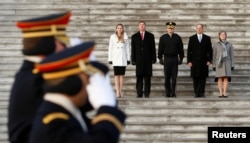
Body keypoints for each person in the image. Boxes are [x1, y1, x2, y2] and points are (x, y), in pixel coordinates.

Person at [29, 42, 126, 143]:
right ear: (73, 83)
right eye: (88, 79)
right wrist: (107, 107)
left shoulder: (63, 111)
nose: (90, 85)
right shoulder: (54, 123)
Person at [8, 11, 72, 143]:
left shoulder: (31, 74)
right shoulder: (36, 79)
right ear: (48, 44)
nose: (66, 48)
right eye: (62, 42)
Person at [158, 22, 184, 98]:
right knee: (167, 77)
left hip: (174, 59)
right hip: (166, 58)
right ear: (167, 29)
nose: (170, 29)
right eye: (169, 28)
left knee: (174, 77)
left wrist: (181, 58)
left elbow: (181, 49)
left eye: (172, 28)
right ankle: (167, 92)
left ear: (174, 29)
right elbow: (160, 48)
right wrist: (160, 58)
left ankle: (173, 92)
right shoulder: (163, 37)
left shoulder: (178, 37)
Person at [131, 20, 156, 98]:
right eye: (140, 25)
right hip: (139, 60)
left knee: (147, 77)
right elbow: (133, 49)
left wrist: (153, 58)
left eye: (143, 25)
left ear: (145, 26)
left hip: (148, 60)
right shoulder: (134, 36)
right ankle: (139, 92)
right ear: (138, 26)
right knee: (139, 77)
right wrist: (133, 59)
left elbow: (153, 48)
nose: (142, 26)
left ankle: (147, 92)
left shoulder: (150, 36)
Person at [187, 23, 213, 98]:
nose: (199, 29)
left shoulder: (207, 38)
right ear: (196, 29)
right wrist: (189, 61)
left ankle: (202, 92)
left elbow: (210, 50)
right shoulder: (192, 38)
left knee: (203, 77)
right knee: (195, 78)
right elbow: (189, 51)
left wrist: (209, 60)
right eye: (197, 28)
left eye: (200, 28)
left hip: (204, 61)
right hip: (194, 62)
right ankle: (196, 92)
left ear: (202, 29)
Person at [108, 23, 130, 98]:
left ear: (123, 29)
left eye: (121, 28)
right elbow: (110, 48)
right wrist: (110, 59)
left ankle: (121, 90)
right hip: (116, 58)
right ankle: (117, 91)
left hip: (123, 58)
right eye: (118, 28)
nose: (119, 29)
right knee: (116, 75)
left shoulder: (126, 37)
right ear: (116, 29)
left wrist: (128, 58)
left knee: (122, 75)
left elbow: (127, 48)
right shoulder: (112, 37)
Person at [212, 31, 235, 98]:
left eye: (224, 35)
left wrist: (232, 65)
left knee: (226, 78)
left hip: (227, 63)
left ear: (226, 36)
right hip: (219, 63)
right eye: (221, 35)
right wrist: (213, 65)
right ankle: (220, 93)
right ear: (219, 36)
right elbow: (214, 55)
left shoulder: (229, 44)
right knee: (219, 78)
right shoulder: (216, 44)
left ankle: (224, 93)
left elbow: (232, 55)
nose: (223, 36)